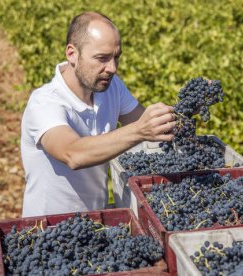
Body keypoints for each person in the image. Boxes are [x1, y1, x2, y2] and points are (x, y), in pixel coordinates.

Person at [20, 12, 176, 217]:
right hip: (48, 230)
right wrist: (139, 131)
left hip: (96, 222)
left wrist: (186, 110)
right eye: (102, 58)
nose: (112, 68)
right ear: (72, 54)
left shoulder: (111, 87)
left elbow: (149, 123)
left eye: (116, 57)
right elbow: (73, 154)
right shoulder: (45, 103)